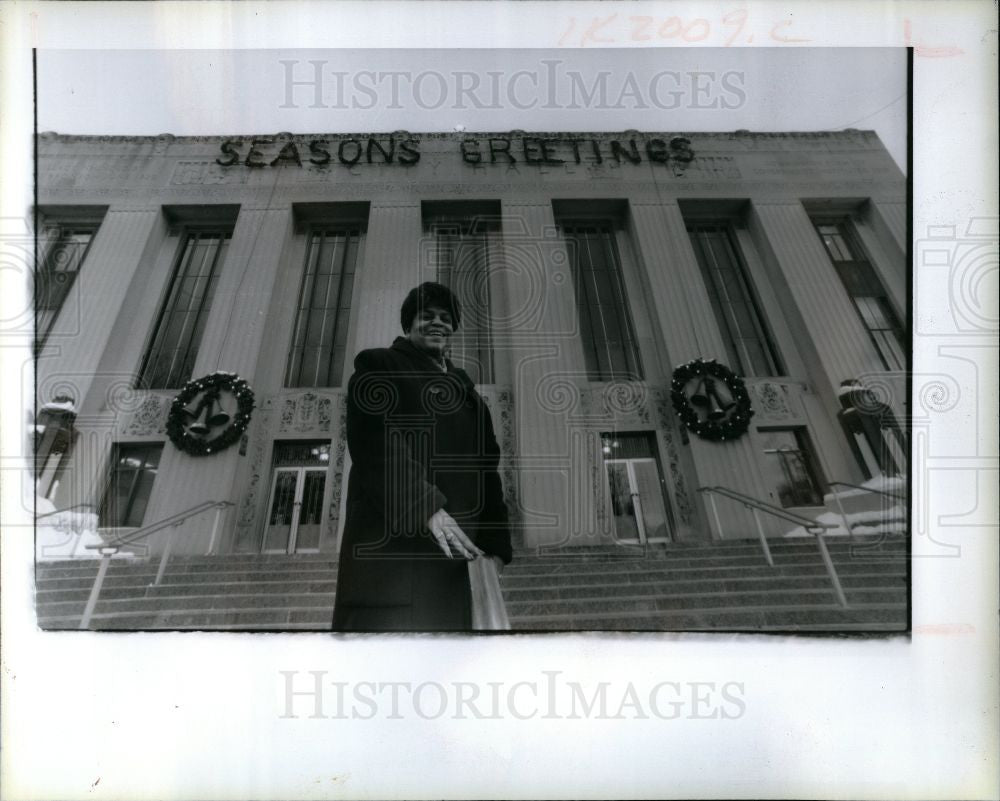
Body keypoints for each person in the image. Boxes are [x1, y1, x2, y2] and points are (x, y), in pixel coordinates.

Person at [331, 282, 513, 631]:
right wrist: (425, 506)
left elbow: (487, 472)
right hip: (396, 564)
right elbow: (376, 443)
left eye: (446, 318)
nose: (437, 323)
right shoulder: (379, 365)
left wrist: (494, 546)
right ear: (408, 324)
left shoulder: (471, 397)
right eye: (426, 316)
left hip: (459, 564)